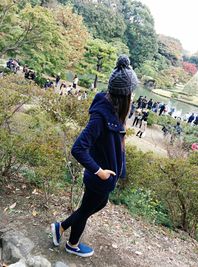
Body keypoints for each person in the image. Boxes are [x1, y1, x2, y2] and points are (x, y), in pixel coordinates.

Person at [50, 55, 138, 257]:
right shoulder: (101, 115)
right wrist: (99, 172)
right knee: (89, 207)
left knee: (94, 205)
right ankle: (65, 233)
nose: (132, 97)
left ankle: (65, 233)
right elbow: (78, 148)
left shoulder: (113, 110)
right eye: (131, 93)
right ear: (123, 95)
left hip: (106, 177)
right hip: (99, 176)